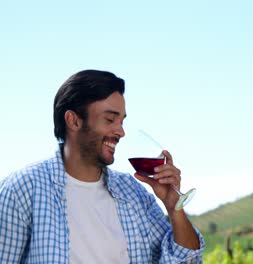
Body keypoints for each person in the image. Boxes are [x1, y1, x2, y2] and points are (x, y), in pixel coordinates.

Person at [0, 70, 204, 263]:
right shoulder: (23, 189)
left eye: (121, 121)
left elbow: (188, 261)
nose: (121, 131)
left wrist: (174, 208)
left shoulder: (133, 194)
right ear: (73, 120)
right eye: (110, 119)